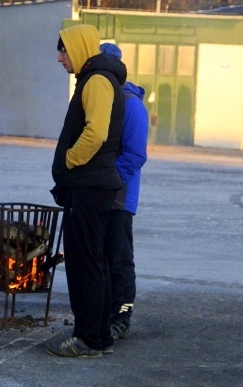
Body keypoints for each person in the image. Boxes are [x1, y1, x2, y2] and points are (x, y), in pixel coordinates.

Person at [47, 24, 126, 358]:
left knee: (84, 264)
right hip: (93, 184)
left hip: (89, 184)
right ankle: (100, 335)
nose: (60, 57)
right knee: (96, 262)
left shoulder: (96, 81)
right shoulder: (96, 78)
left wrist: (68, 160)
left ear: (78, 48)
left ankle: (87, 339)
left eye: (63, 50)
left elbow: (96, 132)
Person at [99, 42, 148, 340]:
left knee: (119, 257)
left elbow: (135, 154)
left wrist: (111, 180)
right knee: (102, 257)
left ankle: (122, 314)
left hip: (119, 197)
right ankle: (105, 310)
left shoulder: (130, 105)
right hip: (101, 194)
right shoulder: (104, 98)